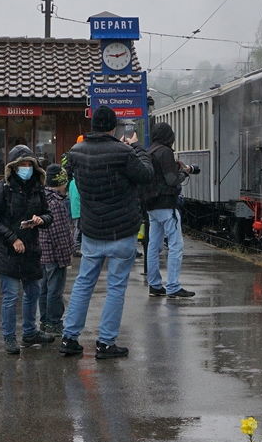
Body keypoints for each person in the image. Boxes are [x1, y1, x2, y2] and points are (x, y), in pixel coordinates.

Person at [59, 105, 155, 360]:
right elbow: (146, 175)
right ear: (113, 127)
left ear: (92, 126)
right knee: (115, 287)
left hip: (91, 229)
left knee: (84, 283)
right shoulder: (124, 152)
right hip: (121, 230)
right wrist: (137, 148)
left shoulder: (76, 153)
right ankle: (105, 343)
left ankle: (69, 338)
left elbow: (74, 179)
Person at [0, 145, 53, 355]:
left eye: (29, 165)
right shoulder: (1, 189)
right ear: (13, 167)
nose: (26, 168)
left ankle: (30, 331)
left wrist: (41, 220)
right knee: (11, 296)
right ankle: (9, 337)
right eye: (22, 165)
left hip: (31, 249)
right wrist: (12, 238)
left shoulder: (37, 188)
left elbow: (47, 214)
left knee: (33, 292)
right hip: (7, 252)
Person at [145, 122, 195, 298]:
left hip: (151, 205)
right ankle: (173, 286)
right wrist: (185, 172)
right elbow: (172, 180)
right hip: (166, 205)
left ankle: (154, 285)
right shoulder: (165, 152)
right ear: (169, 137)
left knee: (154, 246)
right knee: (176, 245)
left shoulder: (149, 151)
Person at [38, 164, 74, 336]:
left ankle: (45, 321)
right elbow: (59, 232)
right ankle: (54, 322)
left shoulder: (41, 197)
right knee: (55, 289)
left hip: (41, 252)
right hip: (54, 253)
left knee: (43, 288)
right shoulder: (57, 203)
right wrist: (67, 254)